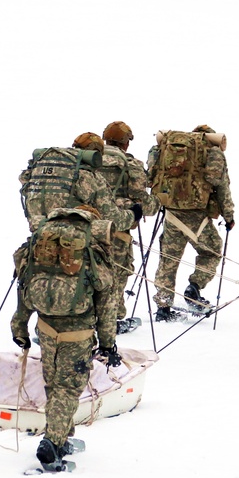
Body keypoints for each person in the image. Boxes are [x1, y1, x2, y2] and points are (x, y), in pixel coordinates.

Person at [10, 208, 121, 472]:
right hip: (78, 331)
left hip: (46, 326)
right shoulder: (92, 247)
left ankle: (61, 437)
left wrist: (19, 326)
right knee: (68, 388)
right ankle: (52, 442)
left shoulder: (40, 244)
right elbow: (106, 302)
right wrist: (107, 343)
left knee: (54, 382)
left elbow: (24, 284)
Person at [12, 132, 139, 345]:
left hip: (41, 240)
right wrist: (134, 214)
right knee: (88, 285)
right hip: (77, 244)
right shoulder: (87, 176)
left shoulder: (41, 171)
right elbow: (113, 217)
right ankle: (90, 338)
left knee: (40, 279)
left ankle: (44, 328)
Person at [147, 124, 235, 321]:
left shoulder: (169, 150)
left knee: (168, 260)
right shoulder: (212, 153)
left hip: (170, 212)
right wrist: (229, 216)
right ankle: (194, 288)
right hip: (197, 216)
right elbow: (222, 187)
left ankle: (163, 307)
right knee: (211, 251)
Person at [96, 121, 161, 333]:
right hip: (116, 231)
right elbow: (144, 203)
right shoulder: (131, 164)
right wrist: (157, 202)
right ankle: (112, 321)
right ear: (126, 144)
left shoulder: (88, 159)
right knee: (116, 275)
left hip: (84, 226)